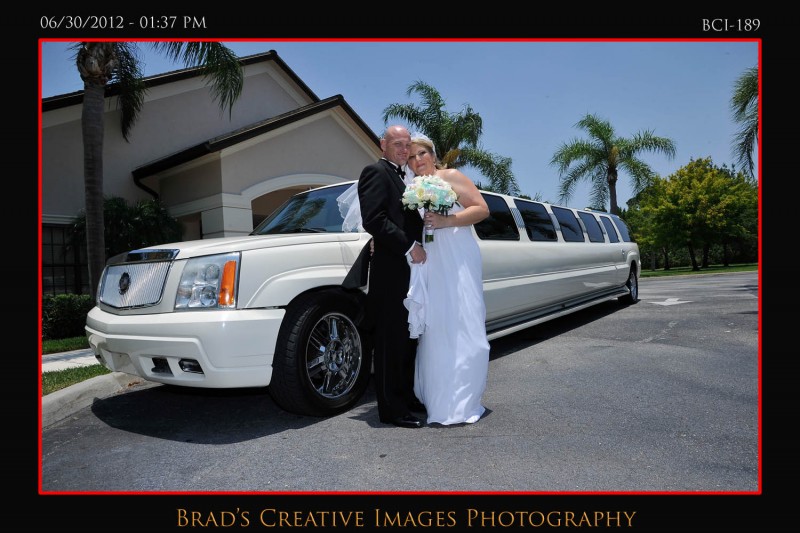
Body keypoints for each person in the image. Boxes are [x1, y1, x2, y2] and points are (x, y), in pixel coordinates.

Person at [405, 133, 491, 425]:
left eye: (421, 153)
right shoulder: (412, 186)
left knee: (463, 318)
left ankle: (464, 399)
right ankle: (438, 399)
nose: (417, 160)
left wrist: (447, 221)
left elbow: (481, 208)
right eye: (411, 157)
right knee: (436, 323)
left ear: (432, 154)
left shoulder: (451, 176)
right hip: (431, 257)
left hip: (458, 253)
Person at [349, 125, 428, 429]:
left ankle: (406, 397)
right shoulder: (376, 172)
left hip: (411, 270)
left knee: (408, 337)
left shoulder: (406, 176)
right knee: (390, 340)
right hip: (391, 270)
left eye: (407, 144)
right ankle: (392, 410)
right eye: (397, 144)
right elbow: (374, 219)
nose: (404, 150)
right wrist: (409, 246)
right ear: (383, 144)